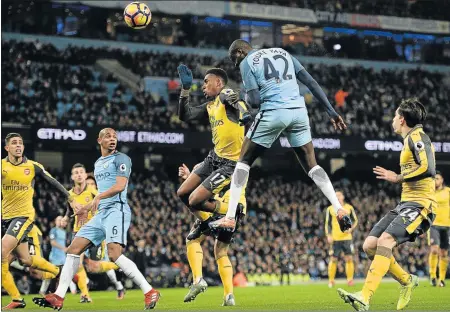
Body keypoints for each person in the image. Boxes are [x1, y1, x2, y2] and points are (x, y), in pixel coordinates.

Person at [209, 39, 351, 233]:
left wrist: (243, 95)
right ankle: (339, 208)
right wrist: (331, 112)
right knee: (312, 164)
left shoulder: (247, 62)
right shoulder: (283, 53)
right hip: (298, 112)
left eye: (235, 60)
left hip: (273, 112)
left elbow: (255, 100)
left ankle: (230, 218)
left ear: (240, 52)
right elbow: (310, 82)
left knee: (243, 161)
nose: (237, 65)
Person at [33, 128, 160, 310]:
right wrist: (84, 208)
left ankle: (149, 291)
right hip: (101, 213)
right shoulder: (99, 163)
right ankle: (58, 296)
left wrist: (99, 197)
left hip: (117, 210)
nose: (112, 139)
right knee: (73, 249)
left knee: (115, 254)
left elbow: (120, 185)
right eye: (108, 136)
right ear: (99, 140)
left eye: (114, 136)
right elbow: (97, 197)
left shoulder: (122, 159)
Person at [338, 98, 436, 311]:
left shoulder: (418, 137)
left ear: (401, 119)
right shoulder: (408, 139)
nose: (392, 119)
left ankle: (365, 296)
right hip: (405, 204)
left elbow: (428, 168)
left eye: (394, 116)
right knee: (369, 245)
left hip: (421, 205)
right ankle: (407, 280)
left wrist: (397, 177)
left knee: (385, 240)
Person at [1, 133, 81, 309]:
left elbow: (53, 182)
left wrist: (71, 198)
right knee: (26, 261)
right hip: (5, 218)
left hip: (24, 217)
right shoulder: (2, 166)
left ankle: (16, 298)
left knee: (2, 251)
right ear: (7, 148)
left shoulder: (32, 166)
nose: (18, 146)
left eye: (20, 143)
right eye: (14, 143)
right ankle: (57, 271)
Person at [176, 65, 250, 241]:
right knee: (182, 193)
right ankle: (205, 222)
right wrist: (185, 90)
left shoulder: (225, 94)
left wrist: (244, 112)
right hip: (213, 158)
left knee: (194, 200)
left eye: (206, 82)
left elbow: (235, 100)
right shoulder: (210, 105)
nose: (203, 86)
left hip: (230, 164)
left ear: (218, 83)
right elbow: (185, 115)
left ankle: (233, 210)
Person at [178, 163, 245, 306]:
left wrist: (188, 178)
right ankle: (229, 296)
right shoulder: (242, 164)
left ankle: (198, 280)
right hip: (236, 210)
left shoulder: (209, 164)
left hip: (216, 207)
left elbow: (196, 192)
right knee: (221, 252)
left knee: (192, 240)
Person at [325, 191, 358, 288]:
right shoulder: (330, 209)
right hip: (335, 238)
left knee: (349, 258)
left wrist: (351, 228)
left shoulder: (349, 208)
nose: (338, 197)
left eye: (339, 195)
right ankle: (331, 281)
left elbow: (355, 220)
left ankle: (350, 280)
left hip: (347, 238)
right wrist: (328, 235)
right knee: (333, 259)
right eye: (336, 195)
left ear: (343, 196)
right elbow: (327, 223)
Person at [428, 171, 449, 287]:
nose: (436, 181)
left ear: (442, 180)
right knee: (434, 250)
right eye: (434, 179)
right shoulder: (429, 193)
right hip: (434, 225)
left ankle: (441, 279)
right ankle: (432, 276)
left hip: (447, 225)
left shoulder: (448, 191)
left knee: (444, 253)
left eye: (438, 178)